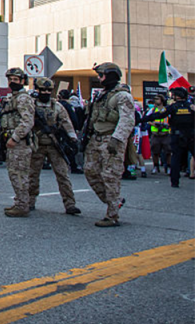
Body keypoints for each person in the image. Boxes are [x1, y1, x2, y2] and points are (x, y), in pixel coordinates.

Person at [82, 63, 135, 226]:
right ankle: (114, 201)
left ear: (111, 75)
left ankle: (112, 215)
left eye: (102, 75)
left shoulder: (122, 96)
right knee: (89, 170)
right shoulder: (102, 95)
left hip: (111, 139)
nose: (99, 78)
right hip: (96, 138)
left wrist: (117, 139)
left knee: (110, 176)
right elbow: (92, 116)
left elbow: (127, 119)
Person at [28, 77, 80, 215]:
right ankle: (30, 201)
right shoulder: (31, 105)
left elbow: (66, 122)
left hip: (54, 144)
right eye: (42, 90)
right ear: (37, 90)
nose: (45, 92)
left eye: (48, 90)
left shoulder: (57, 106)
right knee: (32, 175)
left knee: (63, 175)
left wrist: (73, 138)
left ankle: (70, 204)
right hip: (37, 144)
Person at [138, 86, 193, 188]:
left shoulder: (173, 107)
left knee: (175, 158)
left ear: (176, 96)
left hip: (177, 136)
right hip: (191, 136)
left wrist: (141, 120)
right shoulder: (191, 107)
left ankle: (175, 181)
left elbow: (157, 115)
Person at [1, 67, 36, 218]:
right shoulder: (14, 97)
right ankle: (20, 201)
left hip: (20, 143)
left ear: (22, 81)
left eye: (15, 80)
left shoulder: (23, 98)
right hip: (14, 141)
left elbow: (27, 121)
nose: (12, 82)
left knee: (19, 174)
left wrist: (14, 138)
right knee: (15, 173)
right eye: (10, 79)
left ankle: (22, 205)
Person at [58, 89, 84, 173]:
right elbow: (73, 118)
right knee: (70, 148)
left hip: (59, 129)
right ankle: (72, 166)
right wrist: (75, 128)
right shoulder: (68, 106)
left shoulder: (57, 105)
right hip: (66, 129)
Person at [145, 94, 171, 175]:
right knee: (155, 151)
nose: (156, 100)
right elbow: (146, 119)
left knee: (168, 152)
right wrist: (153, 124)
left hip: (165, 133)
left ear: (162, 100)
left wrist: (166, 125)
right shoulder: (152, 110)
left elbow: (172, 119)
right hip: (155, 134)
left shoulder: (167, 110)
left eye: (157, 99)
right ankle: (155, 166)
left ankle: (169, 167)